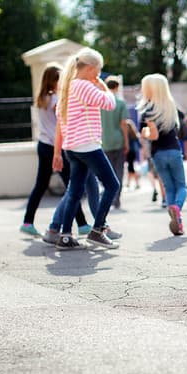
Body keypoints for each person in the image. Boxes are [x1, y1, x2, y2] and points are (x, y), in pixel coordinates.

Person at [51, 47, 121, 250]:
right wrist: (102, 86)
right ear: (90, 68)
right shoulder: (83, 85)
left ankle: (65, 236)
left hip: (72, 147)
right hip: (87, 144)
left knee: (74, 191)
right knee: (112, 185)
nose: (98, 75)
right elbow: (109, 104)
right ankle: (97, 230)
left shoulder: (67, 87)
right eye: (98, 70)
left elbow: (60, 120)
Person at [20, 63, 91, 237]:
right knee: (72, 186)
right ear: (54, 81)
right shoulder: (55, 100)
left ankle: (27, 221)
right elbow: (65, 117)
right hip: (55, 147)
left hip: (43, 144)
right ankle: (82, 224)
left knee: (41, 185)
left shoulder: (42, 97)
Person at [138, 74, 187, 236]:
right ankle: (177, 208)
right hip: (173, 150)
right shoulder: (172, 106)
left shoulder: (148, 111)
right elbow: (162, 133)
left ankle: (177, 220)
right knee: (181, 186)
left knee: (169, 187)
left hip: (158, 154)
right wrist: (148, 133)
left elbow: (152, 136)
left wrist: (144, 132)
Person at [100, 76, 129, 209]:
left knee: (107, 172)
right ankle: (117, 199)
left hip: (104, 141)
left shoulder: (100, 103)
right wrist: (127, 142)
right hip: (118, 141)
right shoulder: (121, 103)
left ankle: (109, 198)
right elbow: (124, 124)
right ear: (117, 87)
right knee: (119, 172)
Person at [125, 119, 141, 190]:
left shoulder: (127, 135)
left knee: (131, 168)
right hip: (133, 152)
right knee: (131, 168)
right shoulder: (134, 134)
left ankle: (135, 183)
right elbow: (139, 144)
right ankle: (129, 183)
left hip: (129, 152)